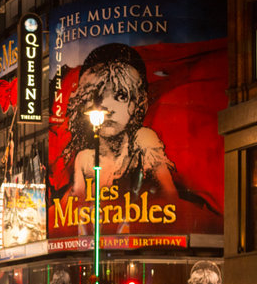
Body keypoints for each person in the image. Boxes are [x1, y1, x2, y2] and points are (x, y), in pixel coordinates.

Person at [66, 43, 177, 213]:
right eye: (97, 96)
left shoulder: (143, 141)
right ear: (84, 101)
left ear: (137, 103)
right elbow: (77, 209)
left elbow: (171, 199)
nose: (107, 107)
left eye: (121, 96)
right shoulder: (84, 159)